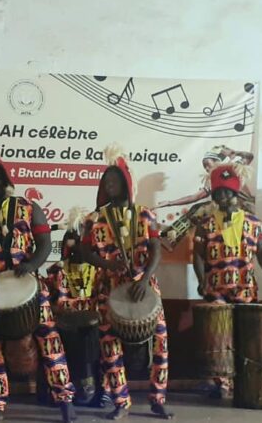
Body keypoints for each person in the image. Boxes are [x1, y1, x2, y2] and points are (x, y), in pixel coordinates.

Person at [0, 143, 76, 423]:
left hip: (30, 286)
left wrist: (32, 265)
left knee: (49, 341)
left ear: (7, 180)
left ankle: (65, 399)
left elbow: (45, 243)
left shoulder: (27, 207)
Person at [80, 145, 174, 420]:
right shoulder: (94, 219)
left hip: (144, 287)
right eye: (106, 182)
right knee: (109, 346)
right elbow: (85, 252)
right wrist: (108, 265)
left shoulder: (145, 214)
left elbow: (156, 249)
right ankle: (121, 401)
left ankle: (157, 400)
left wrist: (145, 279)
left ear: (125, 183)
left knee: (160, 344)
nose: (110, 185)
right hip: (108, 288)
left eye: (115, 181)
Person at [192, 163, 262, 398]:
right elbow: (197, 256)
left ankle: (244, 381)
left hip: (245, 288)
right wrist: (202, 279)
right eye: (218, 193)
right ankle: (220, 383)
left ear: (235, 193)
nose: (222, 197)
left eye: (226, 192)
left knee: (245, 335)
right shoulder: (204, 224)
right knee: (219, 335)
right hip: (216, 288)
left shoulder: (253, 222)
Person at [45, 207, 101, 406]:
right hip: (66, 324)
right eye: (71, 242)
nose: (75, 246)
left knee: (91, 332)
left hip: (91, 324)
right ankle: (67, 388)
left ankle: (93, 387)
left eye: (79, 242)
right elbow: (55, 301)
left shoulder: (98, 270)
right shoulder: (59, 271)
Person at [155, 145, 255, 211]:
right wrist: (169, 203)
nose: (206, 168)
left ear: (218, 161)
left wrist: (236, 153)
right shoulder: (211, 181)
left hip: (240, 209)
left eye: (208, 164)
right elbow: (194, 197)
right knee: (196, 209)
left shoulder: (234, 168)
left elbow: (249, 156)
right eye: (204, 166)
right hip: (224, 211)